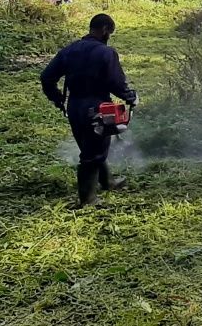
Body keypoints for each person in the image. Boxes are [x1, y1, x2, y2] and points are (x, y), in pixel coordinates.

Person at [40, 13, 138, 208]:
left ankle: (108, 182)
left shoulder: (69, 50)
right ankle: (88, 200)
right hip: (97, 108)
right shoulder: (106, 53)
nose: (109, 36)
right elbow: (116, 82)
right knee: (92, 154)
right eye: (110, 32)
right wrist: (131, 96)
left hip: (74, 106)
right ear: (104, 30)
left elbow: (46, 77)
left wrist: (57, 98)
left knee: (92, 147)